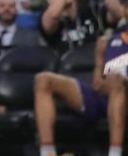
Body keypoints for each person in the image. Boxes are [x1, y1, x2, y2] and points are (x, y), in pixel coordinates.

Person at [34, 8, 128, 156]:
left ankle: (115, 152)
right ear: (125, 11)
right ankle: (47, 152)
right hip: (104, 96)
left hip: (124, 97)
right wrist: (108, 84)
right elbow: (97, 81)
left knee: (116, 80)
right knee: (43, 80)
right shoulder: (105, 42)